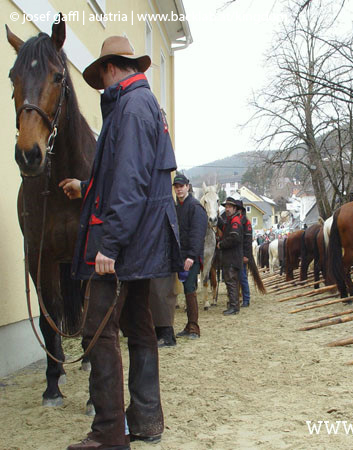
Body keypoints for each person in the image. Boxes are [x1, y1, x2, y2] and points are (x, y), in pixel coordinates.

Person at [59, 36, 181, 449]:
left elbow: (128, 184)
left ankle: (108, 432)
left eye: (100, 79)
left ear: (111, 68)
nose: (100, 89)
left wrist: (108, 245)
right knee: (139, 327)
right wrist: (86, 185)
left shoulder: (129, 108)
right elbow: (127, 175)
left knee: (98, 330)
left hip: (124, 243)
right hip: (142, 240)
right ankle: (146, 420)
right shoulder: (145, 104)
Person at [173, 173, 208, 339]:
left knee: (190, 289)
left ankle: (194, 327)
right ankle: (188, 326)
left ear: (188, 186)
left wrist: (191, 256)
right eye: (176, 187)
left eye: (181, 186)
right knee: (187, 289)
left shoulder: (195, 207)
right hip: (180, 255)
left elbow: (197, 234)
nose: (179, 189)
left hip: (190, 256)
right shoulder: (177, 207)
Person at [217, 197, 243, 315]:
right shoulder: (231, 220)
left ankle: (233, 307)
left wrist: (221, 244)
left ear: (234, 208)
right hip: (231, 257)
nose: (226, 209)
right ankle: (233, 305)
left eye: (228, 207)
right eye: (225, 207)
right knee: (231, 281)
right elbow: (225, 228)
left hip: (232, 257)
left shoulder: (235, 221)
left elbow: (234, 237)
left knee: (231, 281)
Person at [236, 200, 252, 307]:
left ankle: (246, 299)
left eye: (237, 209)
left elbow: (248, 240)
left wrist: (246, 255)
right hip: (235, 253)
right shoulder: (235, 220)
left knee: (242, 277)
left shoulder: (246, 222)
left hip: (242, 254)